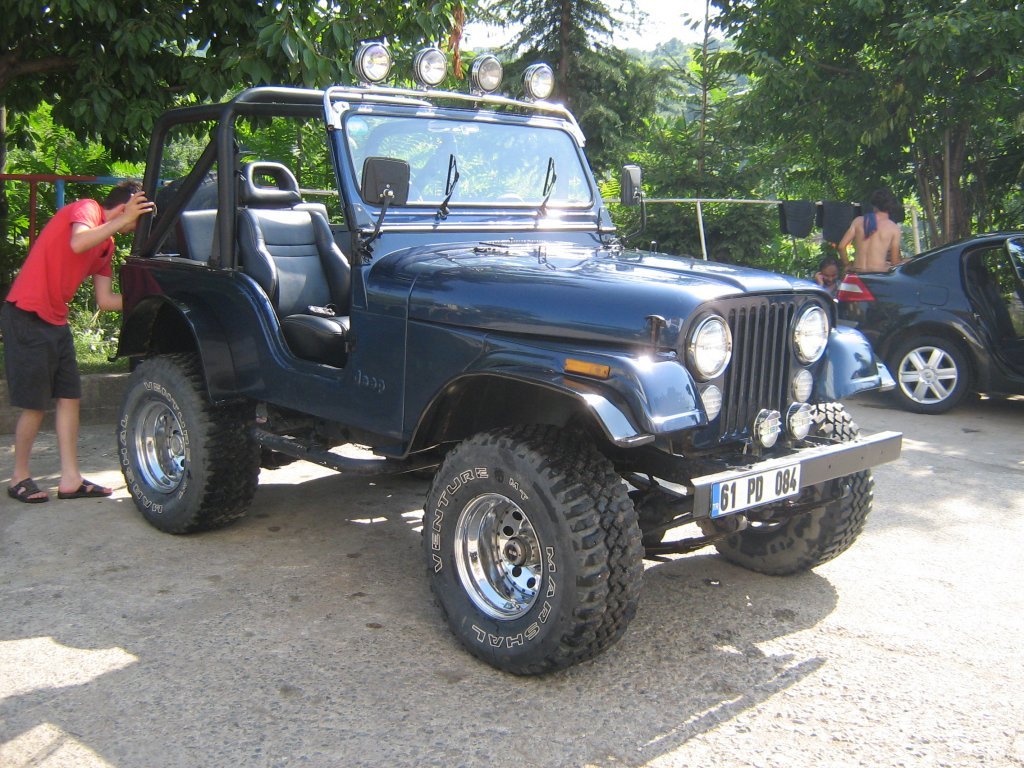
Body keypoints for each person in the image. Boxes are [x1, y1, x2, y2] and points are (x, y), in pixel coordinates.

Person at [2, 181, 154, 503]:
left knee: (70, 397)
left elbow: (106, 300)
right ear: (126, 207)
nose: (137, 229)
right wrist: (121, 219)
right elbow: (77, 242)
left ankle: (70, 479)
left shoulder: (106, 246)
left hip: (56, 322)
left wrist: (152, 298)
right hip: (27, 315)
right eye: (138, 218)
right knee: (35, 404)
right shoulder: (87, 209)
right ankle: (19, 477)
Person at [838, 188, 903, 273]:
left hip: (858, 274)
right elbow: (895, 263)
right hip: (877, 275)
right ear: (892, 207)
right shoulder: (893, 228)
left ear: (874, 205)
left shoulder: (858, 221)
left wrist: (847, 265)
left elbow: (841, 246)